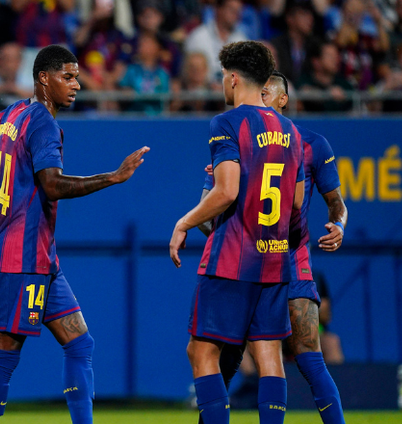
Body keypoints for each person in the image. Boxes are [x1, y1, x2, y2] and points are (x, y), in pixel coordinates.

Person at [0, 44, 150, 424]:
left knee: (80, 343)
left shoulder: (10, 114)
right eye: (68, 76)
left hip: (40, 258)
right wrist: (113, 176)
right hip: (21, 257)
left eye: (77, 76)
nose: (77, 84)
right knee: (4, 353)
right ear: (44, 77)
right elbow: (53, 185)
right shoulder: (43, 123)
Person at [198, 70, 349, 424]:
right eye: (258, 92)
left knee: (307, 356)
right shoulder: (234, 138)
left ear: (283, 99)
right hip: (251, 263)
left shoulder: (311, 143)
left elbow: (336, 203)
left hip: (289, 261)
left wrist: (339, 225)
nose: (259, 99)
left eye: (267, 93)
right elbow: (210, 215)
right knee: (231, 359)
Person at [169, 41, 305, 424]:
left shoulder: (226, 123)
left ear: (232, 79)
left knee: (202, 352)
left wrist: (184, 222)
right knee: (269, 354)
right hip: (275, 260)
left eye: (221, 78)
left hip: (232, 258)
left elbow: (226, 191)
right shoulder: (291, 132)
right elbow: (295, 203)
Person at [183, 0, 247, 83]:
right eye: (232, 10)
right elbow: (189, 74)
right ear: (218, 9)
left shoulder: (241, 41)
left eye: (238, 11)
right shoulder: (197, 37)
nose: (236, 15)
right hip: (202, 94)